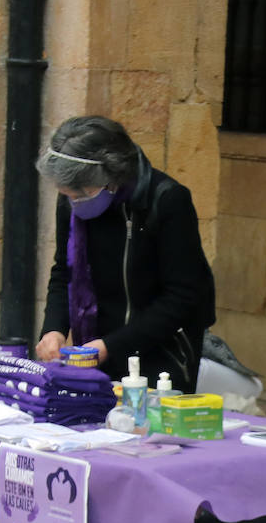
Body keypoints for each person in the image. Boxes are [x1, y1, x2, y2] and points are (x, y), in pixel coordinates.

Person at [34, 116, 215, 393]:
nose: (75, 202)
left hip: (160, 353)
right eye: (68, 195)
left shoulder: (167, 200)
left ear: (113, 177)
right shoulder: (72, 198)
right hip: (94, 348)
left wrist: (112, 346)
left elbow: (182, 296)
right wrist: (53, 330)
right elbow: (64, 271)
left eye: (82, 194)